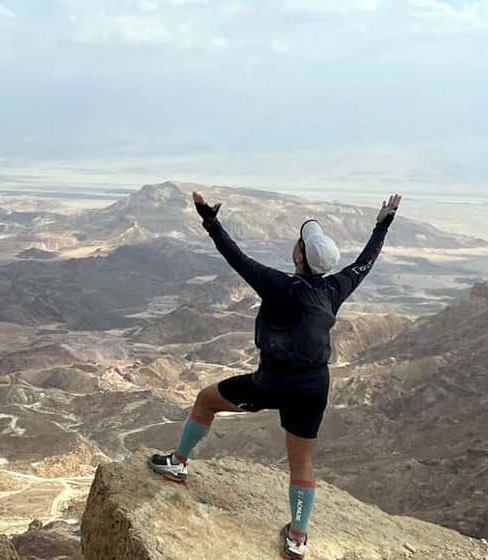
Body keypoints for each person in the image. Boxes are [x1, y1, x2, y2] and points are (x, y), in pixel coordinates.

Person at [148, 191, 401, 560]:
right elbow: (365, 263)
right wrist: (383, 226)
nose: (297, 244)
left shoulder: (278, 285)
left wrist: (210, 220)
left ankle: (178, 463)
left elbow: (235, 257)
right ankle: (297, 538)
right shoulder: (334, 289)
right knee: (302, 461)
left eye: (300, 243)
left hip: (272, 383)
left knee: (206, 400)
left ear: (299, 257)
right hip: (313, 388)